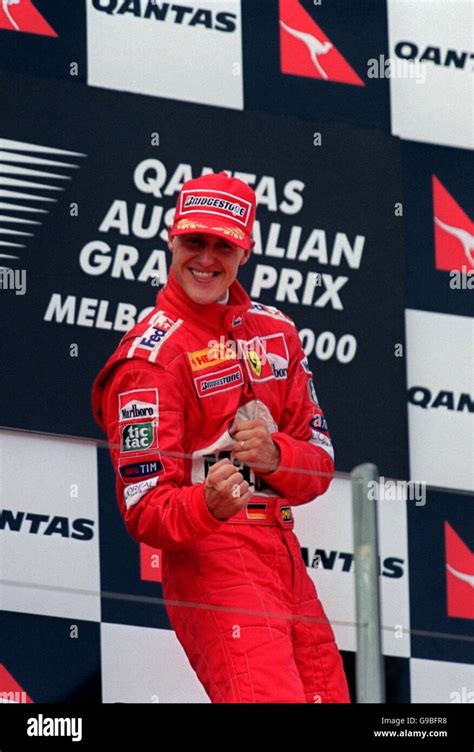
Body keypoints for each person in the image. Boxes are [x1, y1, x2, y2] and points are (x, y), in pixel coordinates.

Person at [92, 171, 350, 703]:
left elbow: (320, 462)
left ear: (245, 251)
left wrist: (276, 457)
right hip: (214, 559)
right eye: (195, 241)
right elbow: (145, 508)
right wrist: (208, 504)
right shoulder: (151, 360)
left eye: (222, 245)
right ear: (172, 238)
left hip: (284, 552)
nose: (206, 259)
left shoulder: (277, 331)